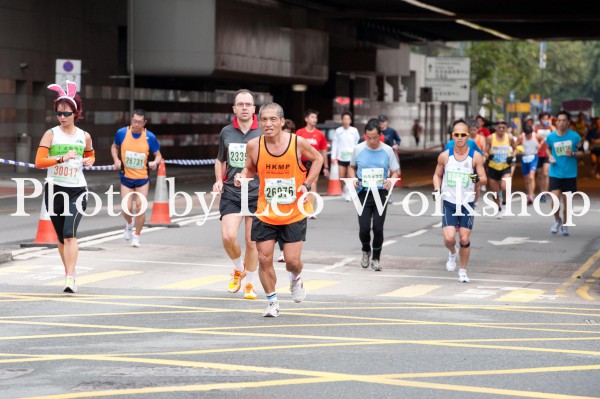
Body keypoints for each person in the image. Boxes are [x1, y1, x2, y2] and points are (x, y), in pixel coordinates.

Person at [235, 103, 323, 317]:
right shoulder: (254, 145)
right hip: (266, 211)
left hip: (293, 212)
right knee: (265, 258)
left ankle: (295, 279)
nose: (268, 124)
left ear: (282, 122)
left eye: (273, 119)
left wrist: (307, 184)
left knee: (292, 262)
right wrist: (242, 176)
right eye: (264, 119)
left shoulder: (297, 143)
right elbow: (249, 167)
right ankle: (272, 302)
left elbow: (318, 159)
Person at [35, 80, 95, 293]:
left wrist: (90, 161)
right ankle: (69, 272)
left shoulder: (84, 136)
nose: (62, 117)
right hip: (54, 189)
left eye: (66, 113)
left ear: (76, 113)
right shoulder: (51, 134)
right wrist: (61, 158)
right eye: (59, 113)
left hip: (77, 189)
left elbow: (90, 155)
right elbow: (39, 162)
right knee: (61, 237)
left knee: (70, 233)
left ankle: (70, 278)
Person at [213, 89, 262, 300]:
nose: (244, 107)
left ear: (253, 109)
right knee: (228, 236)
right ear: (234, 109)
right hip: (232, 192)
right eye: (240, 104)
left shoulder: (262, 132)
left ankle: (249, 284)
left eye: (247, 104)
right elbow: (220, 160)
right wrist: (218, 180)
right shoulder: (226, 132)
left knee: (252, 243)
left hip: (256, 193)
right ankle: (237, 268)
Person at [432, 120, 487, 283]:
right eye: (457, 135)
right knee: (449, 238)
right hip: (449, 202)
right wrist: (436, 189)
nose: (460, 138)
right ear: (453, 136)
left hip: (467, 203)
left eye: (463, 135)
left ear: (468, 136)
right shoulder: (445, 156)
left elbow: (483, 178)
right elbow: (437, 174)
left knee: (464, 238)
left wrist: (473, 177)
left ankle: (462, 270)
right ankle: (452, 252)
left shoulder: (475, 157)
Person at [348, 118, 400, 272]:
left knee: (378, 227)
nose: (372, 141)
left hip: (380, 192)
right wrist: (353, 179)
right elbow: (351, 167)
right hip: (363, 193)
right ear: (365, 136)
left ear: (380, 135)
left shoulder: (387, 150)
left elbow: (395, 171)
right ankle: (366, 250)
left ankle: (376, 258)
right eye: (369, 138)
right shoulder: (358, 149)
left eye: (375, 137)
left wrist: (391, 181)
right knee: (364, 228)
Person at [111, 109, 162, 248]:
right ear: (131, 120)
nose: (136, 124)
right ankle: (129, 224)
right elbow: (114, 147)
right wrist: (116, 160)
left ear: (144, 123)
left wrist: (155, 163)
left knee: (140, 207)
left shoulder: (149, 137)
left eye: (139, 122)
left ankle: (137, 236)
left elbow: (158, 154)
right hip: (126, 176)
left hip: (142, 178)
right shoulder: (122, 133)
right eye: (134, 121)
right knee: (126, 208)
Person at [546, 111, 587, 236]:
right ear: (556, 122)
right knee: (554, 199)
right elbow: (547, 149)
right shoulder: (551, 137)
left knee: (567, 202)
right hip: (555, 172)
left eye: (564, 120)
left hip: (570, 174)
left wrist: (573, 154)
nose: (561, 123)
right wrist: (550, 157)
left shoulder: (575, 137)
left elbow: (582, 153)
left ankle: (565, 224)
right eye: (559, 120)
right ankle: (557, 220)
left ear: (568, 122)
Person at [296, 108, 329, 217]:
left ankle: (311, 210)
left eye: (316, 117)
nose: (315, 119)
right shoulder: (299, 132)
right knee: (301, 185)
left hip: (314, 163)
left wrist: (326, 167)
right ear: (306, 119)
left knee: (312, 183)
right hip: (301, 163)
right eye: (312, 117)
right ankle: (301, 207)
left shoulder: (320, 134)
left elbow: (323, 152)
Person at [484, 119, 517, 218]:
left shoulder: (510, 138)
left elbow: (515, 149)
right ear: (495, 128)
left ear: (506, 128)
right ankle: (499, 208)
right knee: (495, 191)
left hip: (505, 166)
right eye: (499, 127)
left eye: (503, 127)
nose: (501, 129)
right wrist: (488, 156)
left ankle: (505, 203)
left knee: (504, 186)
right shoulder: (490, 138)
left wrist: (512, 156)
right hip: (493, 167)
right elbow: (485, 151)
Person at [276, 118, 297, 263]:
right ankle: (282, 251)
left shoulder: (296, 146)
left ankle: (290, 250)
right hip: (275, 188)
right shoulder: (271, 148)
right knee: (277, 221)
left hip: (291, 188)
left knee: (288, 222)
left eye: (288, 134)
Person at [331, 111, 360, 202]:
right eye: (344, 119)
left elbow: (358, 144)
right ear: (342, 120)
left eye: (348, 119)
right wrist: (333, 156)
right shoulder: (338, 131)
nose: (346, 120)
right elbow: (335, 144)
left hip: (351, 158)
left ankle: (348, 192)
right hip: (341, 157)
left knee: (350, 176)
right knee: (342, 177)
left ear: (350, 120)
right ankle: (345, 189)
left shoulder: (354, 131)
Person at [517, 124, 541, 204]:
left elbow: (543, 139)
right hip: (524, 158)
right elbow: (515, 145)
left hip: (533, 158)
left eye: (529, 134)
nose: (528, 135)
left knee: (531, 177)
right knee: (526, 179)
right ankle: (529, 193)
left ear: (532, 132)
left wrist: (540, 145)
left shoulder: (536, 136)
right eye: (527, 134)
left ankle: (531, 195)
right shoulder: (521, 137)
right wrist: (518, 148)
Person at [535, 112, 555, 203]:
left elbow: (557, 134)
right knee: (539, 174)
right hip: (538, 153)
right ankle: (541, 191)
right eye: (543, 119)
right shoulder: (536, 128)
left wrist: (551, 126)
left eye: (547, 118)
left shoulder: (551, 128)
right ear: (540, 120)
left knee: (545, 173)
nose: (545, 120)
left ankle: (545, 193)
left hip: (548, 153)